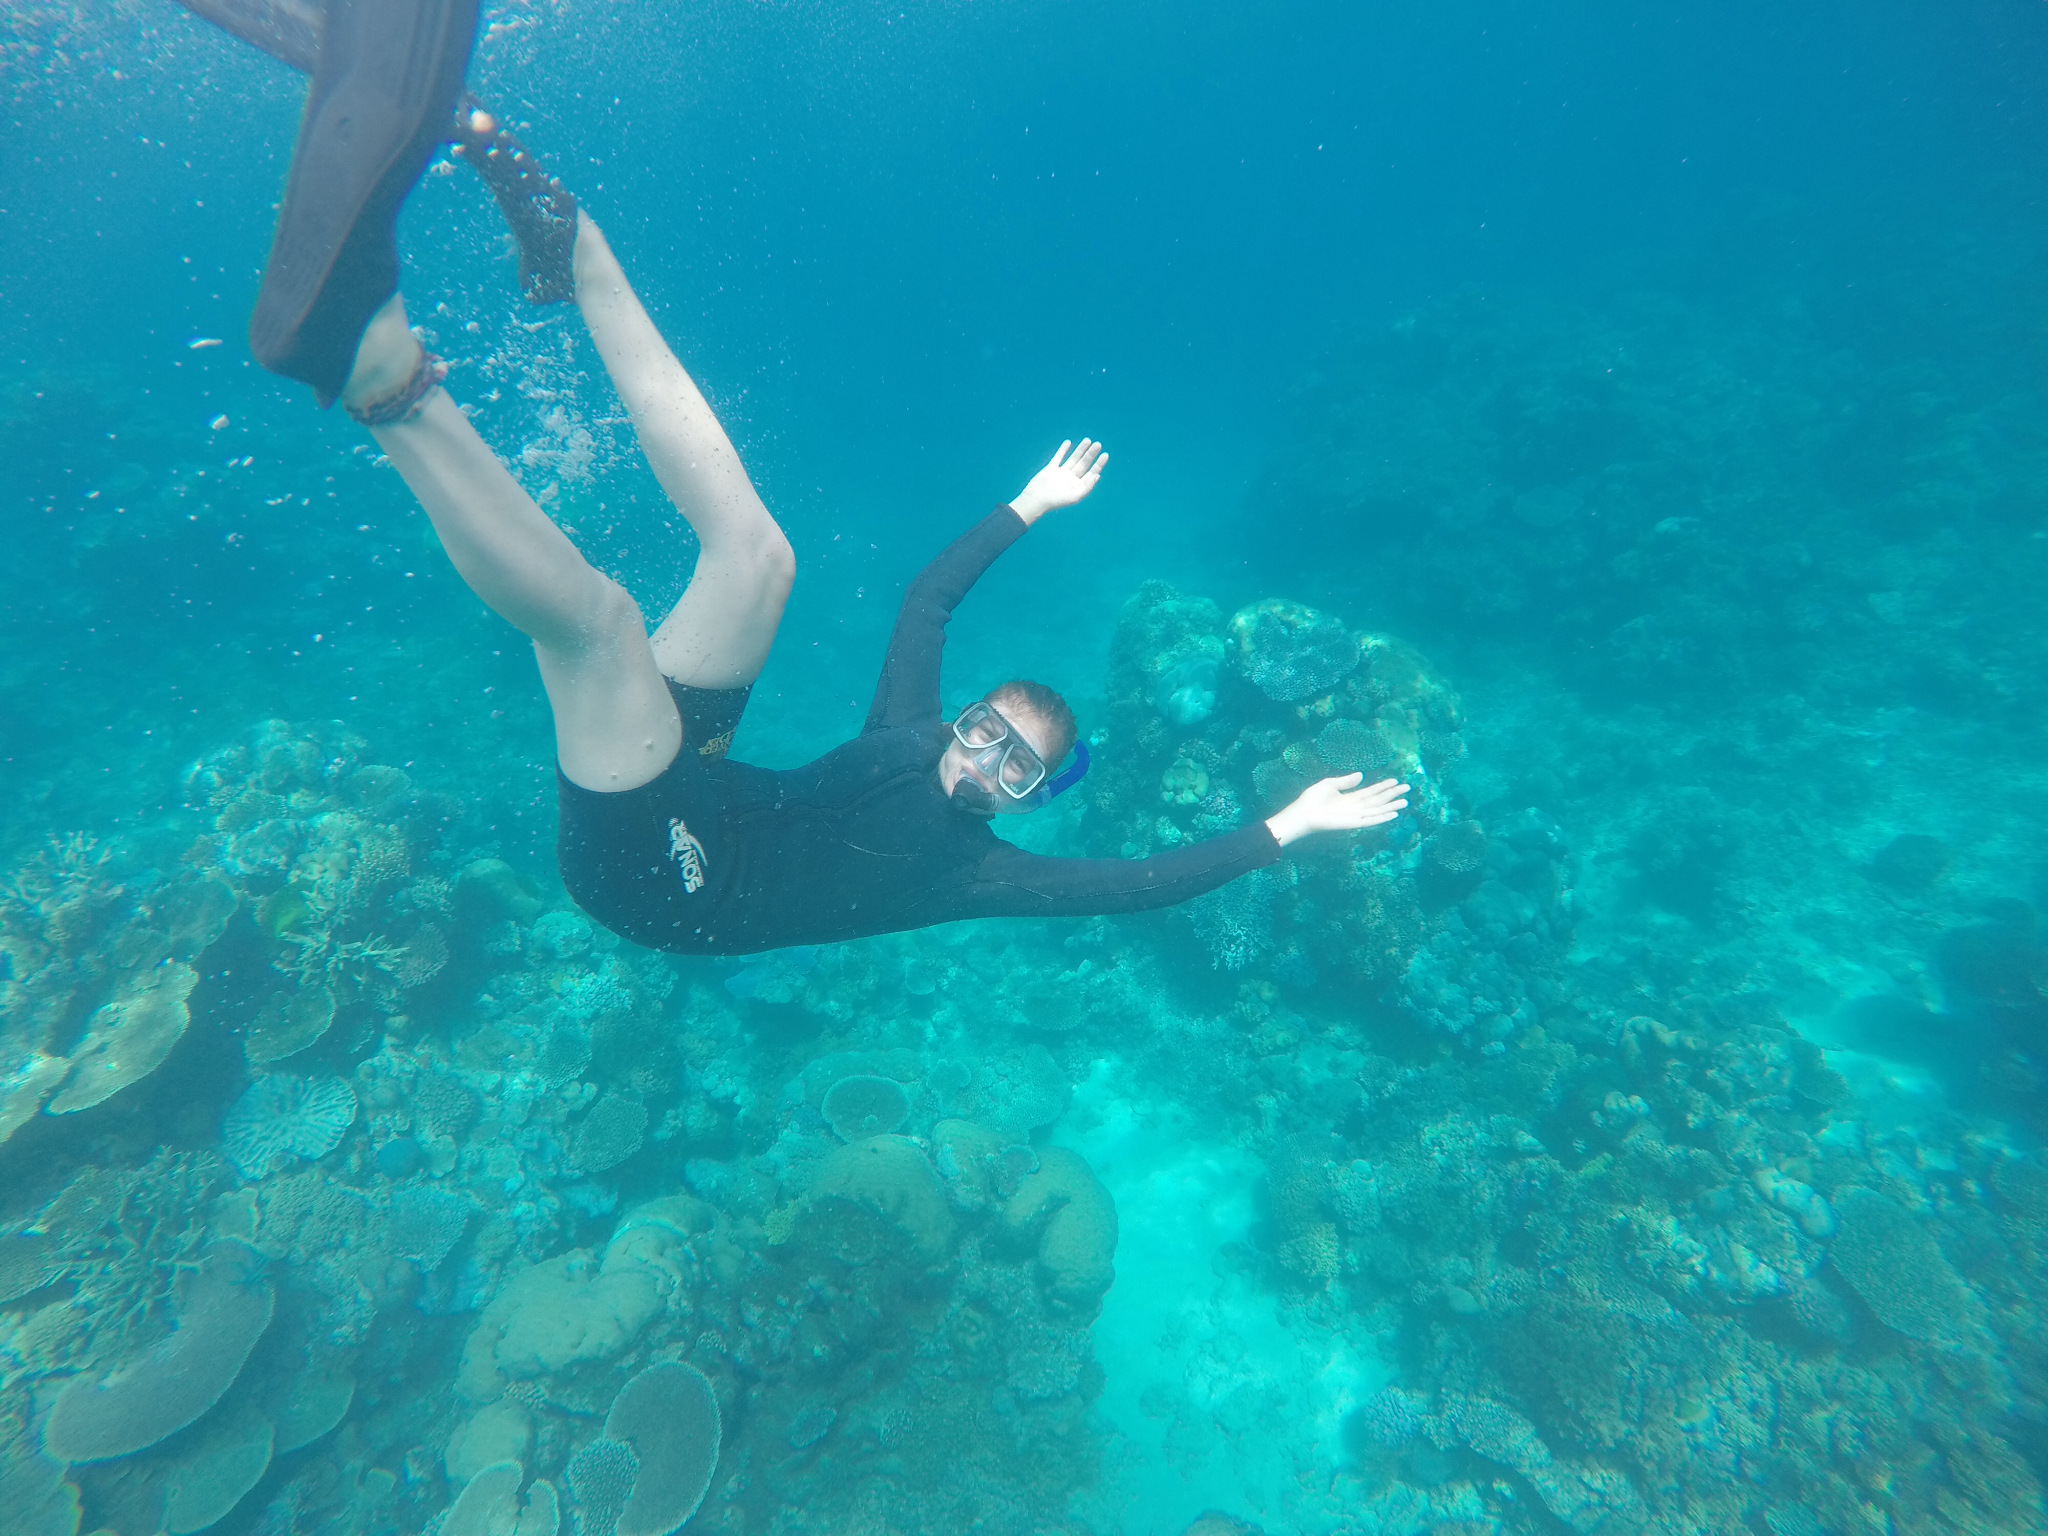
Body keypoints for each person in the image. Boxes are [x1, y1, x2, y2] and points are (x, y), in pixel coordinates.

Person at [229, 0, 1412, 956]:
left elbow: (1138, 883)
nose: (980, 763)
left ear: (1030, 798)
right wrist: (1029, 506)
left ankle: (381, 380)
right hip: (698, 783)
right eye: (985, 731)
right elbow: (927, 604)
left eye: (1013, 768)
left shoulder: (977, 875)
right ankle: (576, 252)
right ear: (962, 716)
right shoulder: (910, 731)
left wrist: (1285, 826)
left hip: (658, 880)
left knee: (599, 627)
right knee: (760, 558)